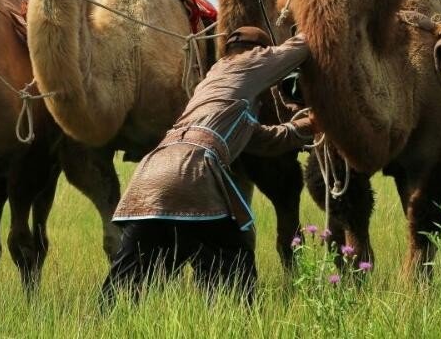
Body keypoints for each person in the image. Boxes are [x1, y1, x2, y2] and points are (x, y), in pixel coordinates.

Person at [101, 27, 316, 306]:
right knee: (236, 273)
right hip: (194, 173)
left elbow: (263, 140)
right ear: (259, 51)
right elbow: (301, 47)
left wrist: (308, 125)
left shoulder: (215, 85)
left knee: (126, 284)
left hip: (149, 175)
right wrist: (320, 16)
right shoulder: (248, 62)